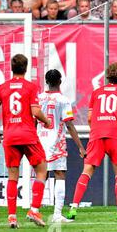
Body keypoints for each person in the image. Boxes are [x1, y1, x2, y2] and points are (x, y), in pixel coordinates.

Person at [0, 54, 51, 228]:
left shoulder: (2, 88)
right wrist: (47, 122)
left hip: (10, 136)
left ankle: (12, 217)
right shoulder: (30, 87)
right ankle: (34, 209)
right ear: (26, 67)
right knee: (41, 169)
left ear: (11, 67)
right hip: (28, 135)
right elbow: (36, 112)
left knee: (12, 177)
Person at [67, 62, 117, 221]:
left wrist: (96, 131)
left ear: (107, 76)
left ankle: (73, 208)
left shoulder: (96, 93)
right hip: (114, 134)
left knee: (86, 172)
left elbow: (90, 118)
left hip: (97, 135)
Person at [37, 69, 86, 223]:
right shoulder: (63, 100)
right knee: (59, 174)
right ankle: (57, 214)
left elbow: (33, 121)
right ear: (59, 81)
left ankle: (34, 210)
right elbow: (69, 125)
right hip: (56, 142)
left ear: (46, 81)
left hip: (39, 141)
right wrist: (80, 146)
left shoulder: (38, 98)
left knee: (41, 175)